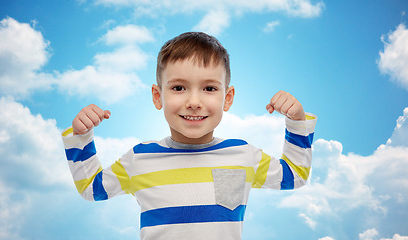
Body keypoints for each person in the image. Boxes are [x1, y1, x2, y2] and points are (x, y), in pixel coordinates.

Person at [62, 32, 317, 240]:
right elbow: (92, 189)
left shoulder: (243, 155)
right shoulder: (139, 158)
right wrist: (81, 137)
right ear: (158, 96)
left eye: (209, 88)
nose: (194, 101)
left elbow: (294, 176)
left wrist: (296, 122)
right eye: (179, 87)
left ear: (227, 98)